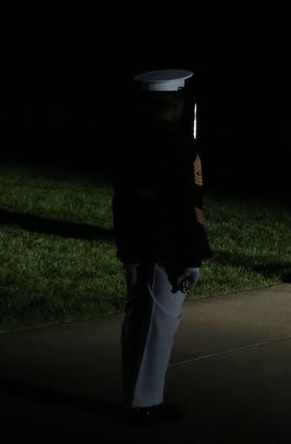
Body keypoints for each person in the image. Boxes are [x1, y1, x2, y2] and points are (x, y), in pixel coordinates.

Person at [111, 69, 212, 422]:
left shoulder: (131, 137)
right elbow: (185, 204)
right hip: (164, 247)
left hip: (139, 240)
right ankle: (143, 402)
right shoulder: (175, 142)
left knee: (142, 322)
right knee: (156, 325)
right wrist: (191, 254)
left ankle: (141, 397)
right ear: (173, 103)